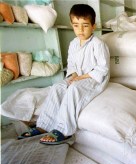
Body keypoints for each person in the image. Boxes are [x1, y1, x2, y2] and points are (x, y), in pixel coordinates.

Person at [17, 4, 110, 145]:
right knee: (57, 87)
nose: (80, 30)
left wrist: (80, 78)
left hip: (93, 79)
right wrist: (73, 76)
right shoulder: (73, 43)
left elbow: (102, 69)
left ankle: (63, 130)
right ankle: (44, 125)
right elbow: (71, 63)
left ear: (93, 26)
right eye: (76, 25)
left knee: (74, 89)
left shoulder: (98, 44)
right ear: (72, 25)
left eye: (85, 25)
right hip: (77, 76)